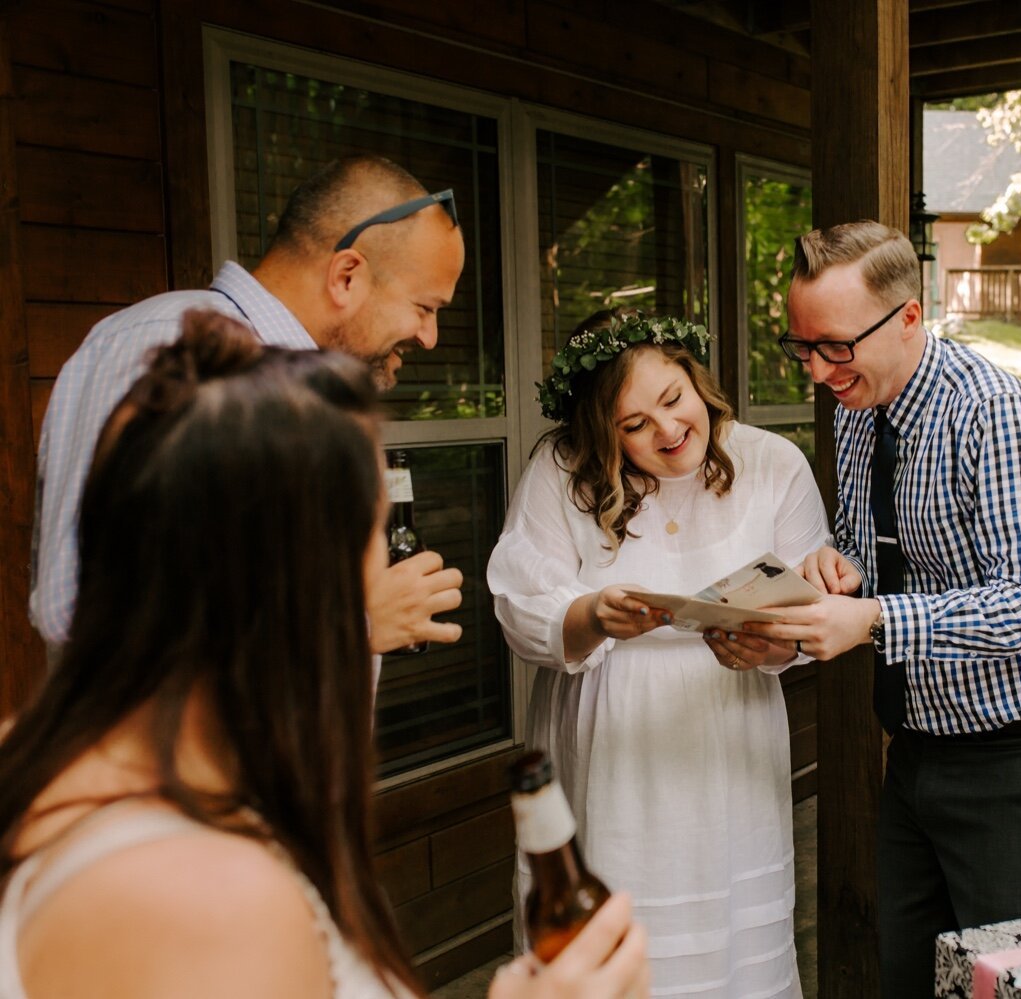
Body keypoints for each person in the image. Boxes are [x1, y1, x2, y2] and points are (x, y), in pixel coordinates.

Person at [0, 312, 649, 999]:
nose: (395, 556)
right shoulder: (205, 899)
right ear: (297, 577)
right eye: (377, 527)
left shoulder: (37, 758)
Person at [745, 222, 1021, 998]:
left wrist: (878, 619)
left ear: (909, 317)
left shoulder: (994, 414)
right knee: (910, 981)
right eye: (802, 346)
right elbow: (870, 546)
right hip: (919, 749)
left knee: (1012, 991)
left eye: (834, 346)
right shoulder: (857, 408)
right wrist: (835, 565)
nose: (817, 370)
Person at [487, 309, 829, 998]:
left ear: (696, 378)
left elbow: (811, 609)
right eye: (633, 425)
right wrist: (592, 615)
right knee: (618, 927)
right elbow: (520, 607)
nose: (669, 432)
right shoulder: (562, 473)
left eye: (673, 400)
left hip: (729, 733)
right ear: (598, 433)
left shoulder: (772, 463)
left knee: (730, 940)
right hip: (614, 743)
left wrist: (767, 644)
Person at [29, 154, 465, 658]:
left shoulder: (316, 394)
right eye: (425, 308)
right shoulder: (167, 350)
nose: (430, 338)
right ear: (347, 275)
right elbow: (90, 610)